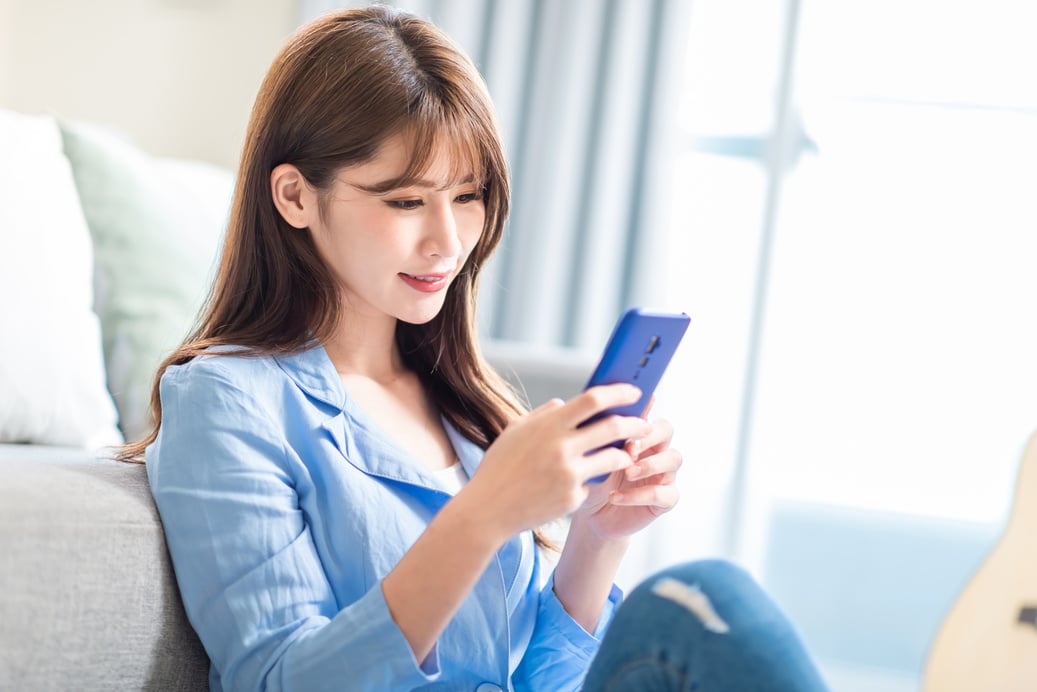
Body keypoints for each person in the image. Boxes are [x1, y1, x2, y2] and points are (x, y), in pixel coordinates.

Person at [120, 5, 829, 691]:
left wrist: (595, 538)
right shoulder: (228, 401)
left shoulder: (460, 406)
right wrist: (483, 513)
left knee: (699, 600)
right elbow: (278, 681)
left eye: (468, 195)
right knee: (696, 603)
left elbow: (534, 680)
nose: (449, 240)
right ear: (294, 197)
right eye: (405, 201)